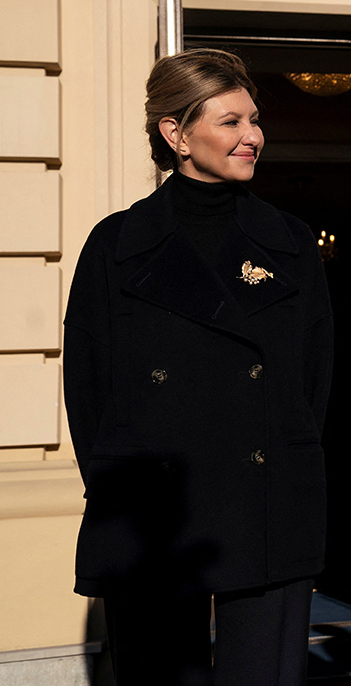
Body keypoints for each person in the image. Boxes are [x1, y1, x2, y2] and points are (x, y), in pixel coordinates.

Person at [63, 48, 334, 686]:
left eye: (255, 120)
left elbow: (312, 382)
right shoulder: (115, 245)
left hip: (268, 503)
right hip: (154, 509)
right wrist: (121, 481)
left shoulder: (291, 244)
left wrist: (286, 461)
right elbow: (89, 388)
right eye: (232, 122)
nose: (253, 137)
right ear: (176, 134)